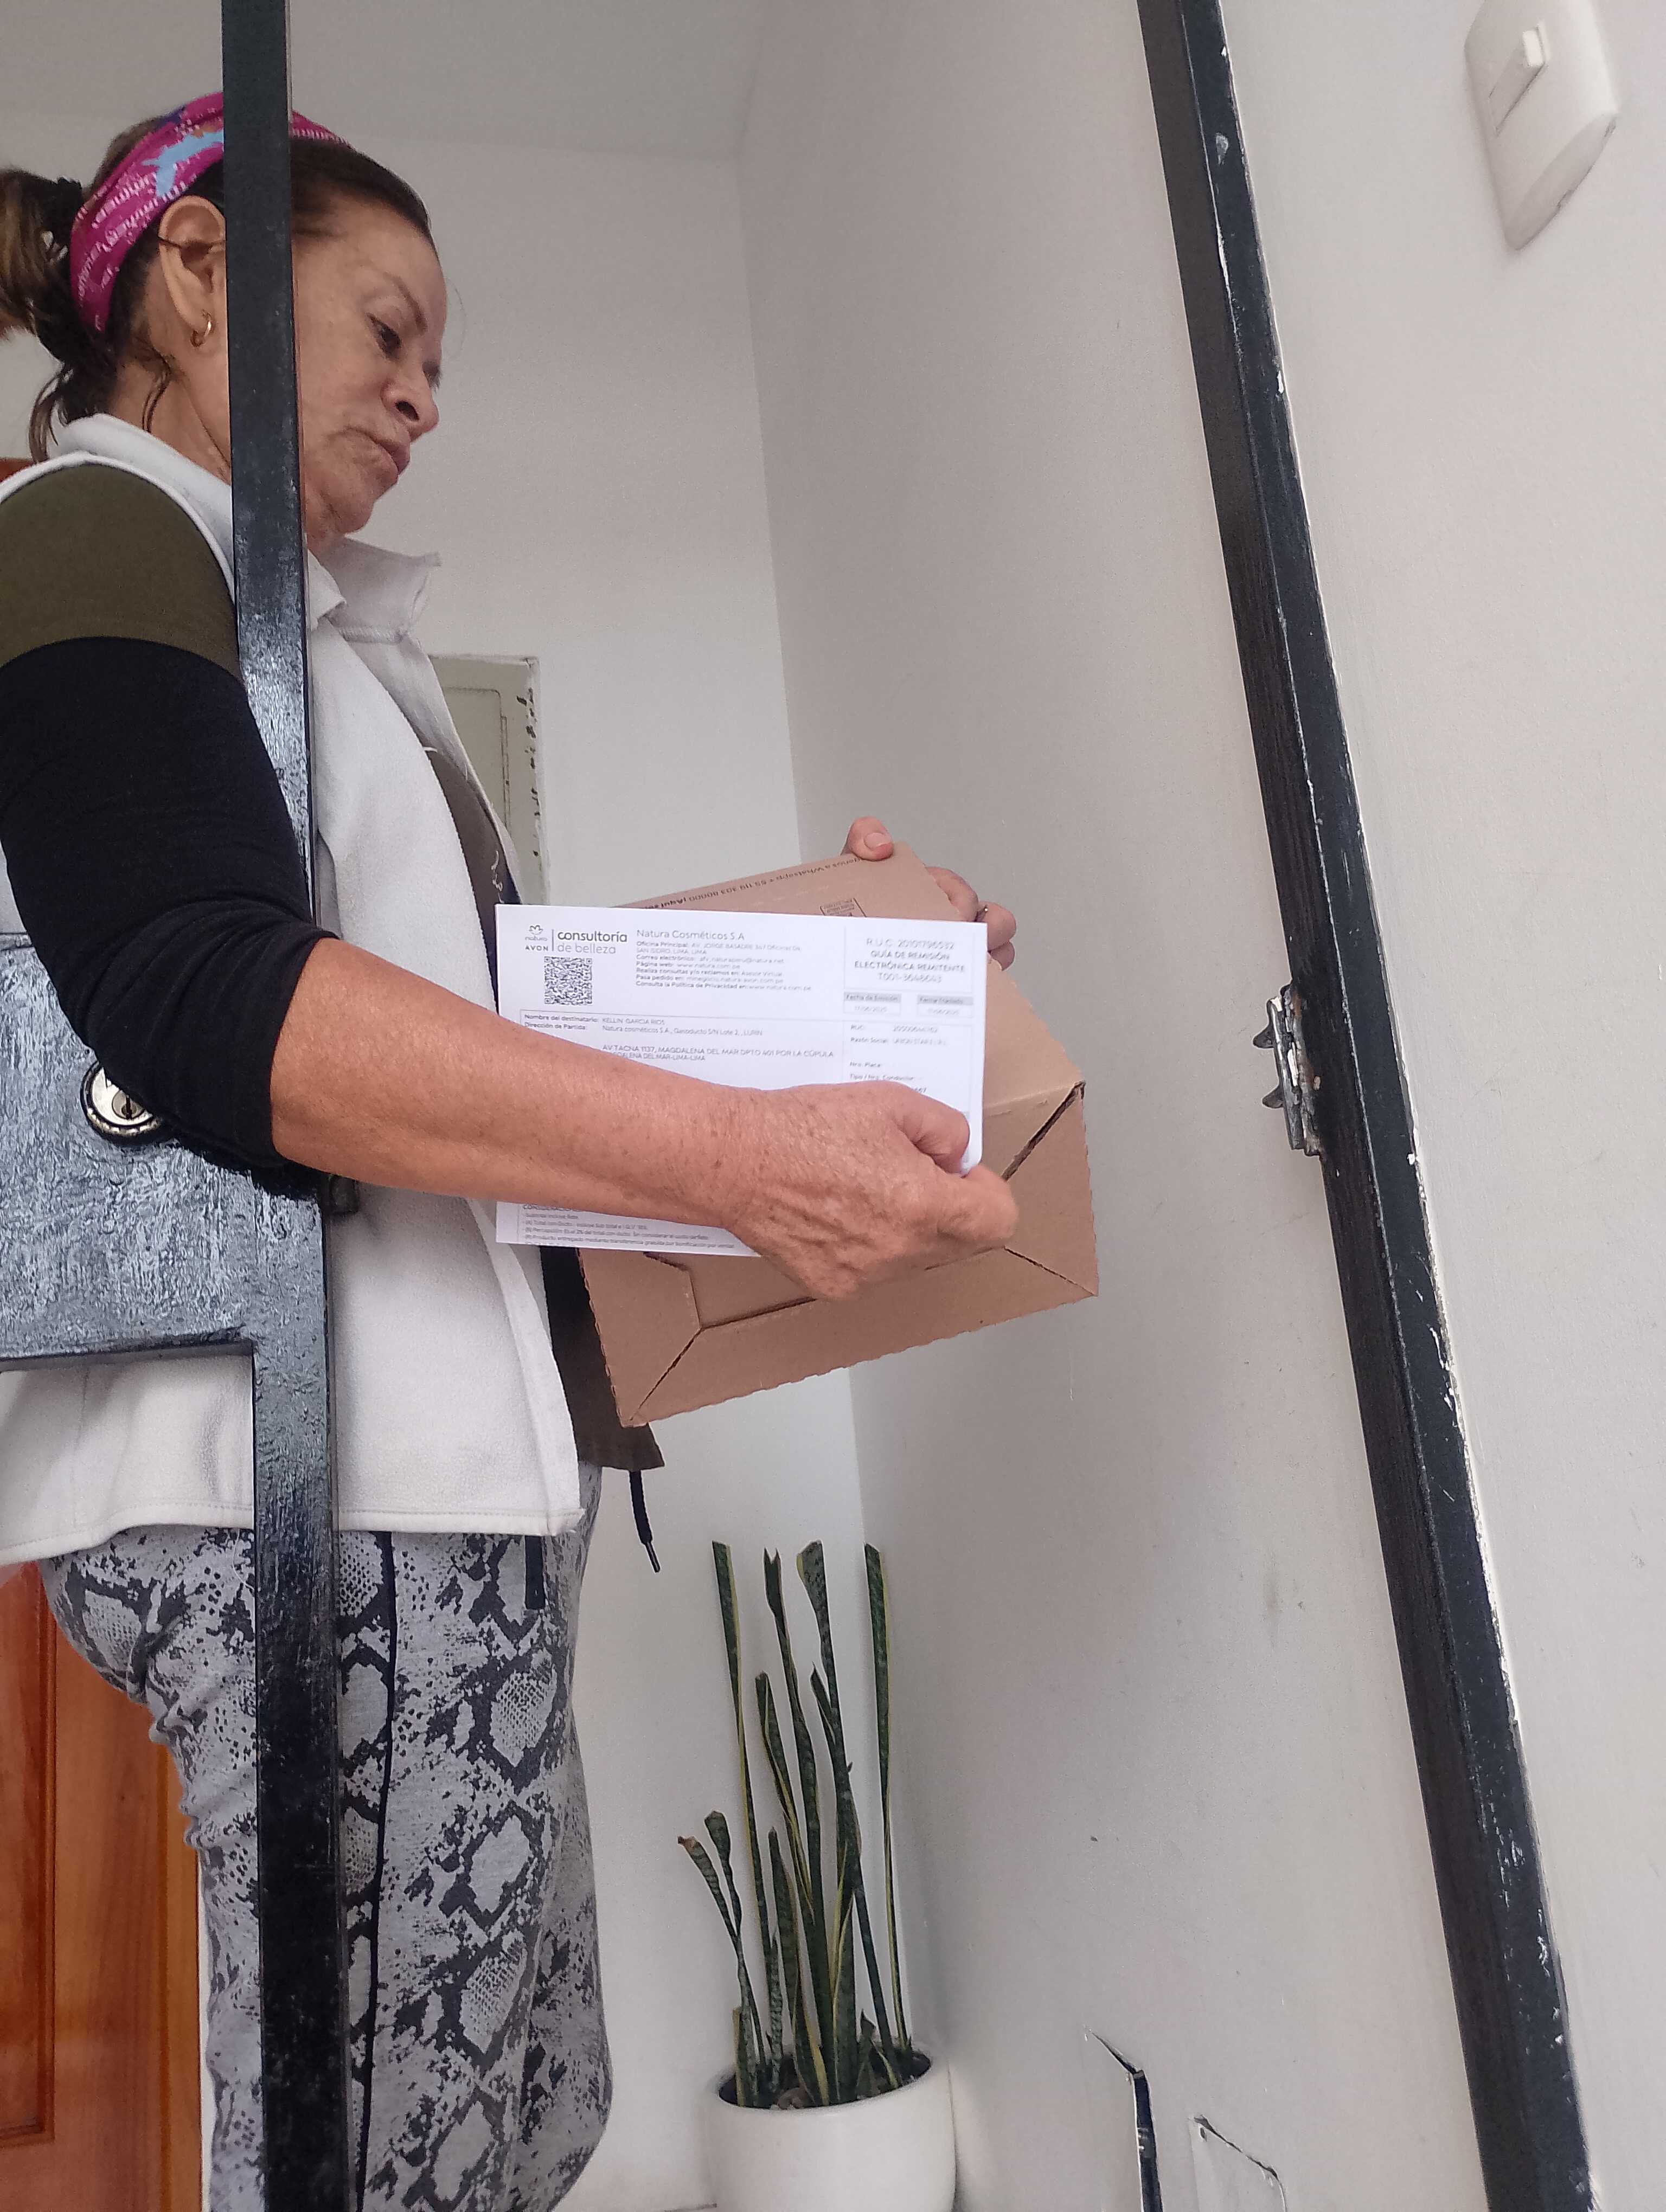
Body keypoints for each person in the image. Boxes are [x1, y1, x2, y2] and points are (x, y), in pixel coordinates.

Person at [0, 99, 1020, 2211]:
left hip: (442, 1479)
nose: (425, 398)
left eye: (438, 360)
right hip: (323, 1491)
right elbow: (199, 988)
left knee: (528, 2116)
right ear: (197, 270)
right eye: (388, 329)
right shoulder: (96, 528)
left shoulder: (322, 639)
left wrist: (855, 968)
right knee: (399, 2170)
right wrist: (740, 1162)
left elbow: (467, 1035)